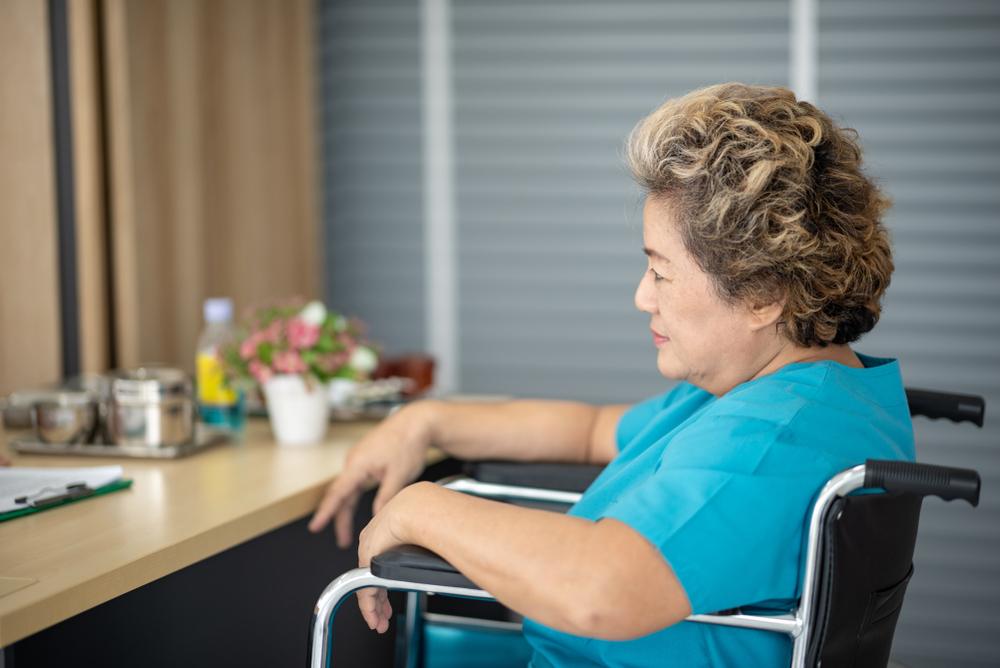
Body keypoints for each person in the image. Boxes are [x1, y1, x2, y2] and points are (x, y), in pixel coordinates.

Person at [308, 82, 914, 667]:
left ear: (763, 294)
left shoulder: (771, 441)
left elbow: (603, 590)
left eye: (662, 272)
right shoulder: (781, 397)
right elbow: (590, 430)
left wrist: (419, 508)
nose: (641, 297)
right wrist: (425, 421)